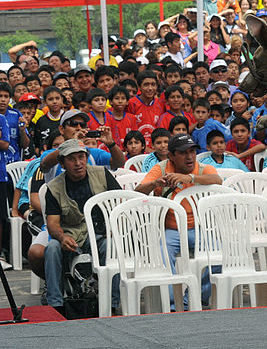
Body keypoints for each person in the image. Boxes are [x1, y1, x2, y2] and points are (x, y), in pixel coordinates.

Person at [137, 134, 222, 307]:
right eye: (183, 153)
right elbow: (138, 191)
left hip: (198, 230)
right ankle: (173, 304)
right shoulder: (161, 168)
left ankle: (196, 298)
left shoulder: (200, 168)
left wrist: (190, 178)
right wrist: (155, 184)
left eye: (192, 151)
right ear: (171, 156)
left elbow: (217, 180)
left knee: (220, 256)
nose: (189, 156)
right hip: (171, 231)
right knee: (163, 254)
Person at [43, 139, 121, 315]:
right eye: (72, 159)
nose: (78, 163)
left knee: (112, 247)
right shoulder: (54, 188)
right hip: (72, 235)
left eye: (81, 157)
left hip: (100, 232)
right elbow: (52, 224)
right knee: (52, 248)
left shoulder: (102, 173)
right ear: (62, 163)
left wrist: (113, 227)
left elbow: (118, 202)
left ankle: (112, 303)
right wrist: (62, 237)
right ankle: (55, 305)